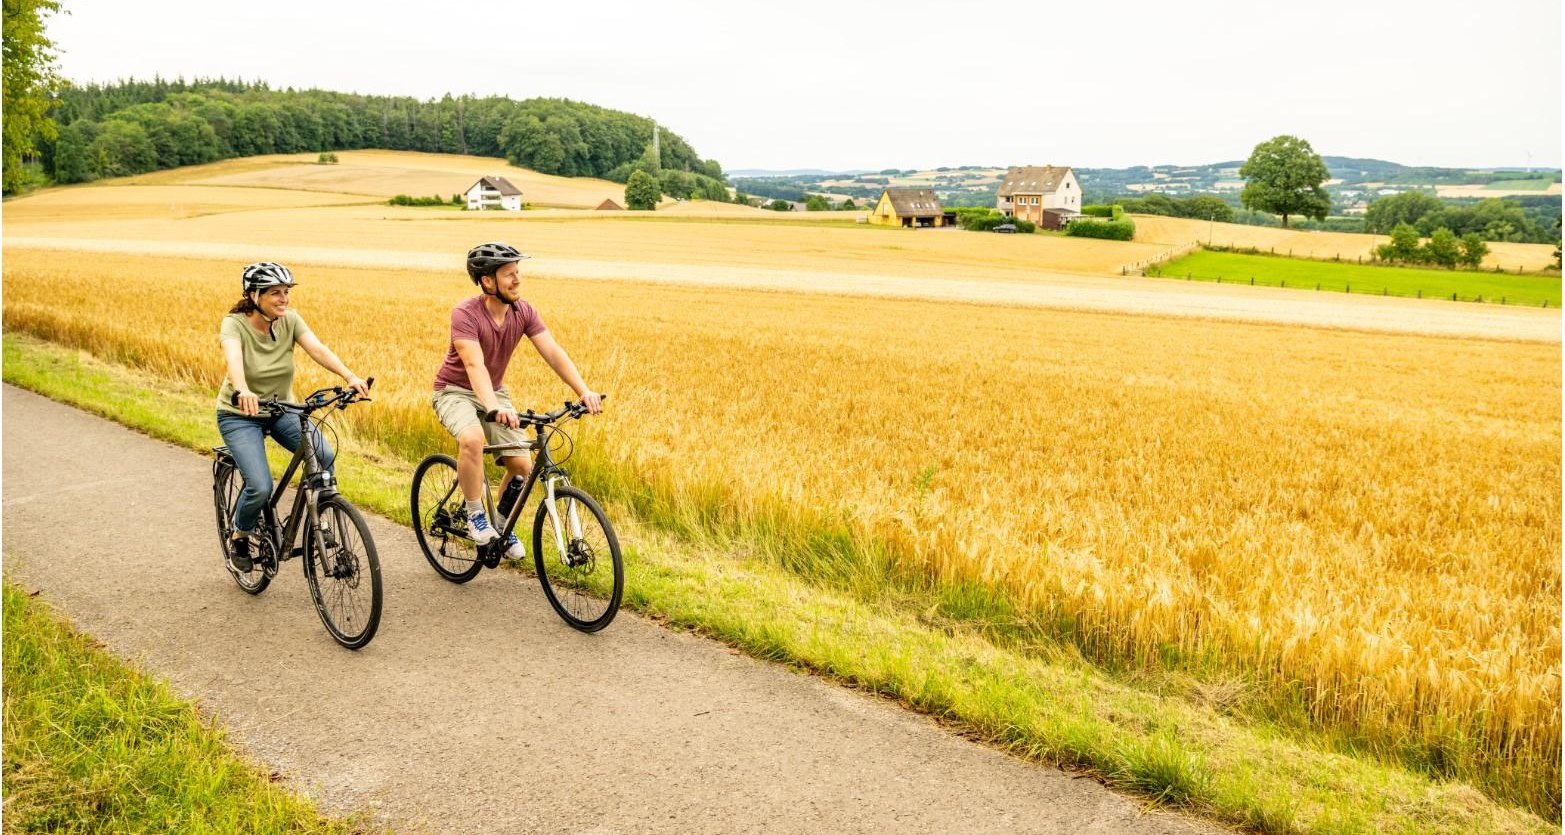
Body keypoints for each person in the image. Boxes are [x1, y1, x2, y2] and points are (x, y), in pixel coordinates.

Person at [431, 242, 602, 559]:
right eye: (509, 274)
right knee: (472, 439)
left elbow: (552, 351)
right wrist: (493, 408)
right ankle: (474, 515)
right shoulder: (465, 313)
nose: (517, 279)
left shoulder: (523, 312)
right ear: (487, 281)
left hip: (494, 392)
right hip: (454, 390)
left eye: (518, 272)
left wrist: (583, 390)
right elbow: (473, 365)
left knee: (522, 466)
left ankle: (499, 524)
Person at [217, 262, 369, 571]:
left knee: (324, 455)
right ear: (253, 295)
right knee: (259, 485)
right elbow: (233, 358)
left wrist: (350, 376)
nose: (283, 298)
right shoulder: (234, 324)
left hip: (282, 409)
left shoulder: (290, 320)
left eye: (286, 292)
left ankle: (320, 519)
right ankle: (240, 535)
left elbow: (318, 349)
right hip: (240, 414)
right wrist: (243, 389)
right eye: (275, 293)